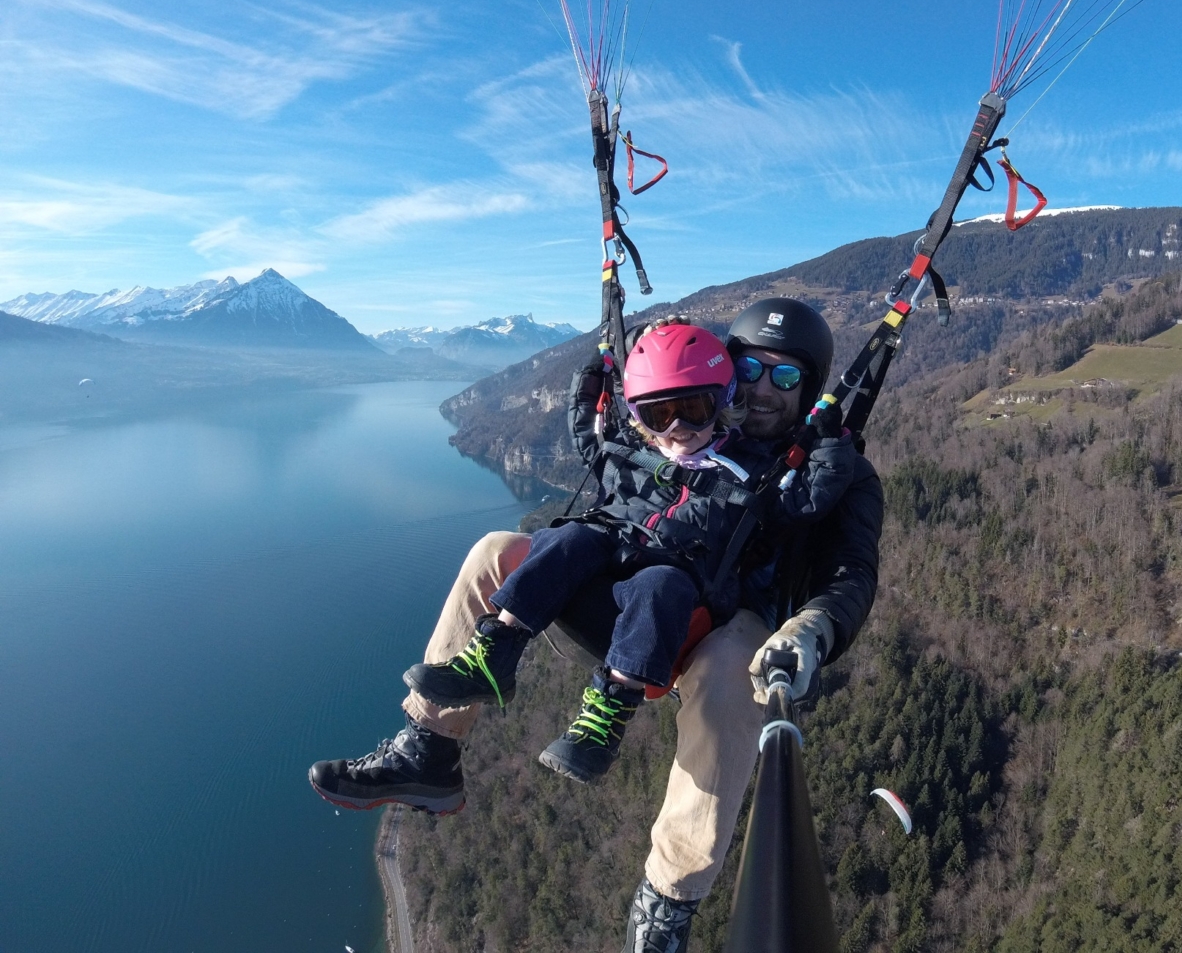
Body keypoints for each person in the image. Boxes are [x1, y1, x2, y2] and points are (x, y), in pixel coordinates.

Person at [308, 298, 883, 952]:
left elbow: (850, 576)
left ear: (809, 391)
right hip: (627, 578)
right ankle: (429, 750)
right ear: (725, 367)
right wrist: (611, 377)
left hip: (727, 613)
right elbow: (606, 449)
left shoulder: (828, 471)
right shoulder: (677, 424)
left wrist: (813, 627)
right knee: (497, 550)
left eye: (785, 378)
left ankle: (668, 896)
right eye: (750, 366)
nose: (760, 387)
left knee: (732, 676)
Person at [399, 319, 855, 783]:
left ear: (720, 403)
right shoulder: (635, 453)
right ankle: (495, 651)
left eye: (694, 411)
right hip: (613, 548)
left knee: (660, 585)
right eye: (660, 417)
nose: (677, 429)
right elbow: (588, 434)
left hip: (681, 579)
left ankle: (606, 716)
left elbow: (806, 499)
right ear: (641, 420)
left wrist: (829, 437)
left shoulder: (751, 466)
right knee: (567, 538)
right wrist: (598, 371)